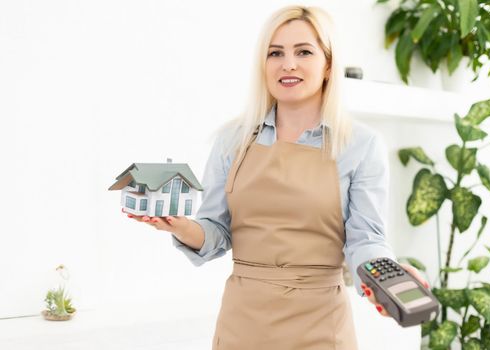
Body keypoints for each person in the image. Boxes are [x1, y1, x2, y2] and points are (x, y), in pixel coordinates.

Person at [127, 5, 430, 349]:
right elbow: (215, 230)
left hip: (320, 325)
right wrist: (178, 225)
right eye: (275, 53)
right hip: (243, 324)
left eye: (303, 51)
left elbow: (366, 239)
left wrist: (385, 276)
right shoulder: (232, 140)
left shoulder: (360, 145)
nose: (288, 64)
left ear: (328, 64)